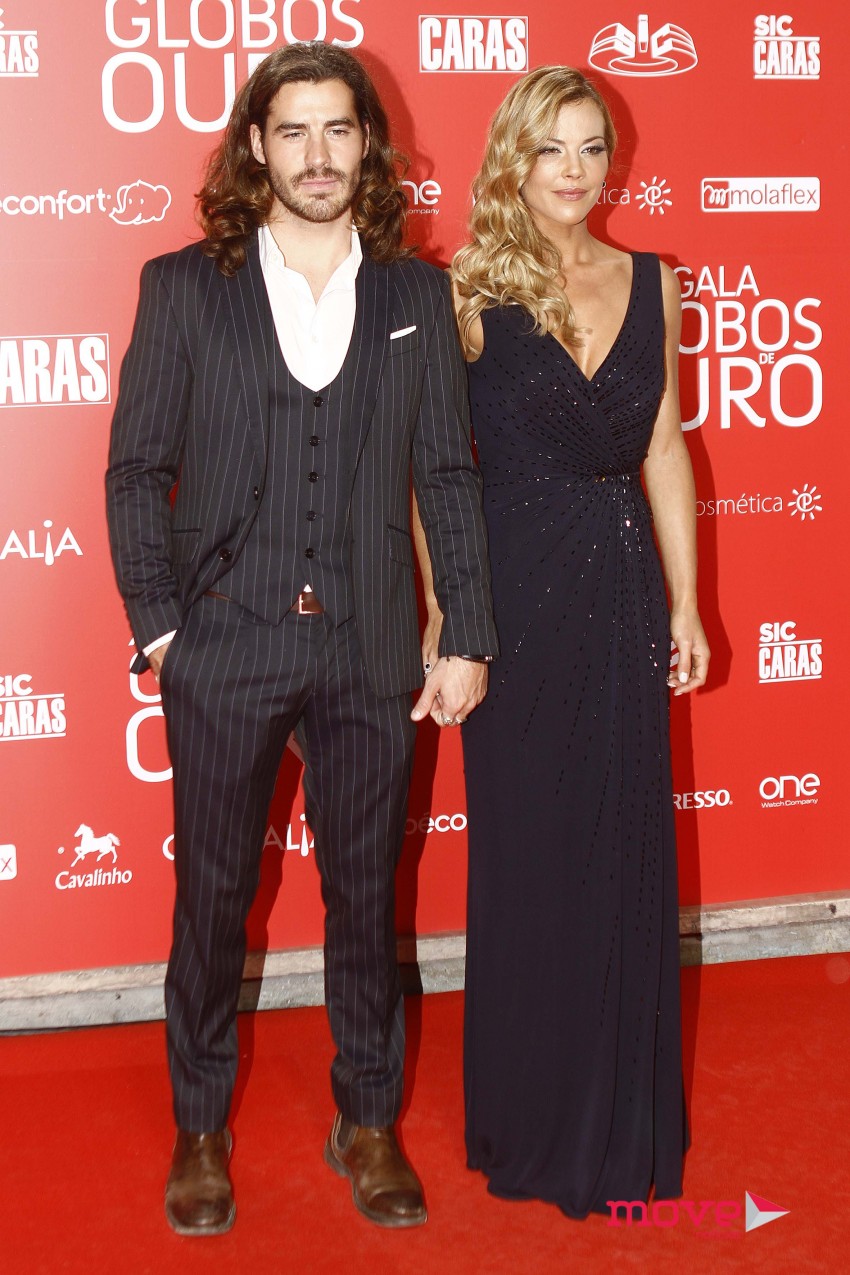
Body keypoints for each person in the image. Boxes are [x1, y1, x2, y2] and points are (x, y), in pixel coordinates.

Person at [106, 41, 497, 1237]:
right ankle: (200, 1128)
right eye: (293, 130)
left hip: (371, 648)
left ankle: (366, 1121)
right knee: (212, 901)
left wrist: (466, 630)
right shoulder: (186, 286)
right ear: (256, 146)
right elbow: (135, 472)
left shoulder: (416, 296)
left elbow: (446, 475)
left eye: (338, 129)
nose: (318, 154)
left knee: (364, 899)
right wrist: (162, 630)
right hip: (224, 641)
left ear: (367, 145)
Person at [416, 66, 710, 1216]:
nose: (576, 169)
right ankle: (530, 1115)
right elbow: (432, 475)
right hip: (514, 600)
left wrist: (685, 603)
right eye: (552, 147)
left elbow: (664, 445)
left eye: (592, 146)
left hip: (624, 590)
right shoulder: (464, 290)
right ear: (513, 159)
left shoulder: (654, 281)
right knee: (532, 856)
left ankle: (619, 1120)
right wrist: (448, 611)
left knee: (622, 853)